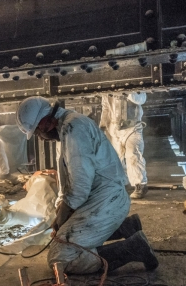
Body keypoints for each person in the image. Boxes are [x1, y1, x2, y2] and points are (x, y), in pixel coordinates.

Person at [15, 96, 158, 274]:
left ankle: (134, 248)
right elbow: (70, 184)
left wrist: (63, 217)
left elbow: (79, 186)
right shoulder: (68, 127)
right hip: (104, 199)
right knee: (64, 238)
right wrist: (62, 212)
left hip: (107, 201)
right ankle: (127, 227)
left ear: (45, 123)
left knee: (60, 258)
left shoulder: (74, 129)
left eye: (37, 133)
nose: (41, 139)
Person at [99, 91, 148, 199]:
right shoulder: (107, 90)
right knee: (117, 159)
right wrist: (102, 126)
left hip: (132, 127)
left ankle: (140, 184)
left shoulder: (134, 85)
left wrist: (128, 92)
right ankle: (124, 184)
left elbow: (142, 99)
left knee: (133, 155)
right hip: (114, 129)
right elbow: (106, 107)